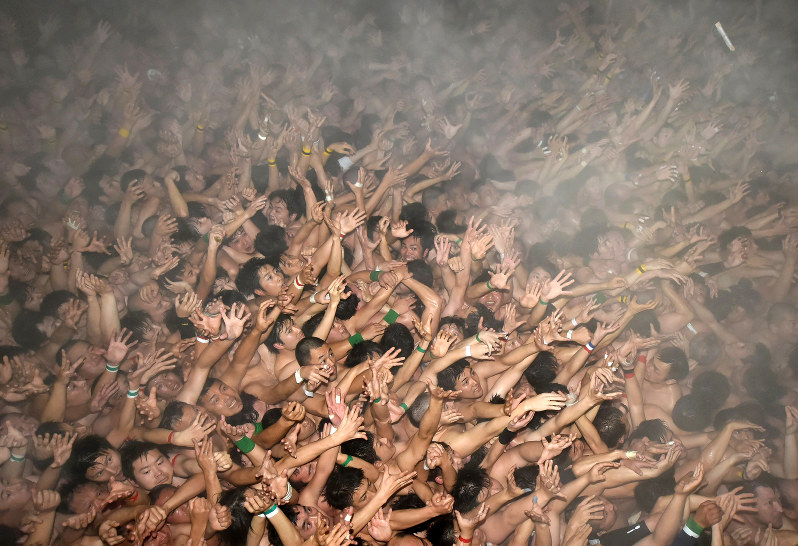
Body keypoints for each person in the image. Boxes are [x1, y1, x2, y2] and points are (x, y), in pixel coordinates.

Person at [2, 0, 798, 544]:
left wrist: (424, 353)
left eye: (120, 466)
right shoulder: (200, 423)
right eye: (121, 470)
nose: (124, 470)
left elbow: (404, 407)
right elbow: (249, 438)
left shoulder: (267, 397)